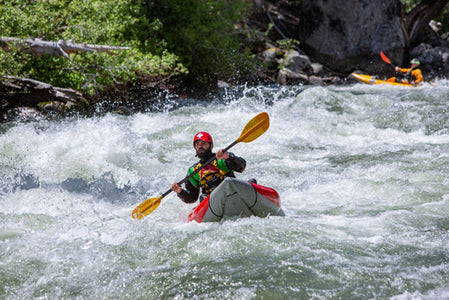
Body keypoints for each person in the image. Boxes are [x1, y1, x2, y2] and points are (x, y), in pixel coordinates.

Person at [171, 131, 246, 203]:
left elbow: (241, 167)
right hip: (212, 201)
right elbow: (192, 198)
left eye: (203, 143)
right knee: (203, 198)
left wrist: (229, 157)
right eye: (197, 144)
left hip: (231, 192)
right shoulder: (194, 171)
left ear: (211, 145)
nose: (200, 146)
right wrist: (180, 192)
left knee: (249, 181)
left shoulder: (222, 158)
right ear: (195, 148)